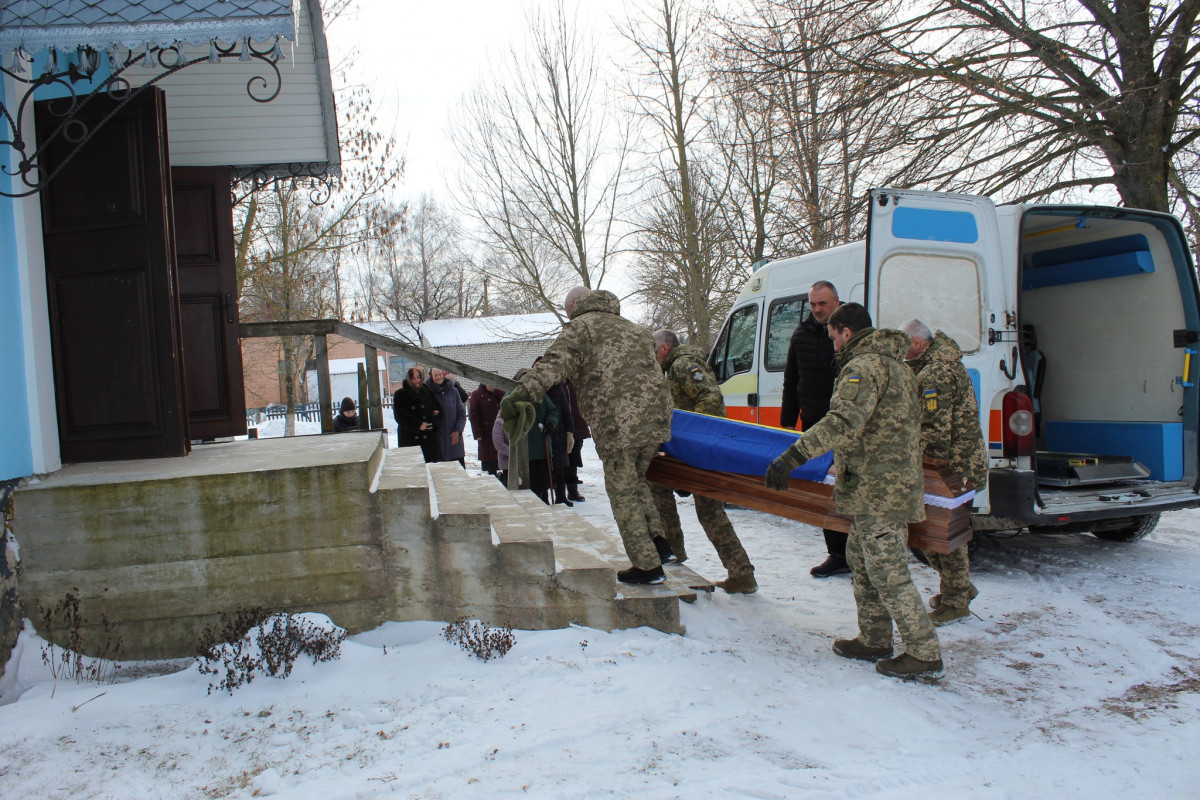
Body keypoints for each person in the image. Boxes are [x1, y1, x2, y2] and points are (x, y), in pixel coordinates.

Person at [765, 303, 942, 681]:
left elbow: (843, 421)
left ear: (846, 331)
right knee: (860, 559)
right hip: (880, 485)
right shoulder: (896, 365)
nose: (833, 345)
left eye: (833, 337)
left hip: (881, 490)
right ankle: (875, 639)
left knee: (887, 568)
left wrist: (793, 456)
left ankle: (924, 652)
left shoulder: (864, 367)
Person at [499, 287, 673, 585]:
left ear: (575, 305)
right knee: (636, 482)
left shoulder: (581, 328)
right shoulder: (638, 330)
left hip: (619, 424)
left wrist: (522, 393)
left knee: (622, 492)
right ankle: (658, 544)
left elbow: (553, 364)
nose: (568, 315)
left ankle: (647, 566)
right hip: (655, 420)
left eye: (567, 310)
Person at [650, 329, 757, 594]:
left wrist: (696, 442)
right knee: (660, 489)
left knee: (709, 511)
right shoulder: (675, 366)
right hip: (692, 451)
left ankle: (741, 574)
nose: (653, 357)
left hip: (701, 453)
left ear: (663, 348)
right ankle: (675, 553)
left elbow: (710, 398)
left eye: (654, 351)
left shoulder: (684, 364)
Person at [902, 319, 988, 625]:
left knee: (944, 535)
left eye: (904, 345)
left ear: (917, 343)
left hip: (951, 469)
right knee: (939, 534)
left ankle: (955, 599)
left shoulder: (935, 373)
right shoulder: (939, 363)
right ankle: (960, 588)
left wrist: (928, 474)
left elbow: (935, 430)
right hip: (960, 464)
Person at [780, 280, 848, 578]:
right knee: (824, 489)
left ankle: (860, 550)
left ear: (836, 301)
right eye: (814, 304)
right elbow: (791, 378)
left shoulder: (852, 330)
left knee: (851, 485)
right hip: (814, 425)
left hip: (848, 425)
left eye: (823, 303)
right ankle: (837, 553)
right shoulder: (801, 334)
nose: (818, 309)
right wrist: (787, 421)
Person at [393, 366, 441, 463]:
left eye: (418, 377)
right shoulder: (400, 394)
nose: (416, 380)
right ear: (409, 379)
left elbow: (439, 409)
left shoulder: (426, 391)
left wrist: (434, 422)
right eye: (413, 378)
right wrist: (418, 425)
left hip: (428, 438)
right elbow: (400, 415)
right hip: (410, 438)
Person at [428, 368, 466, 467]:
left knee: (458, 475)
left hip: (454, 440)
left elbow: (461, 414)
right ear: (431, 376)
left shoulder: (454, 392)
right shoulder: (427, 393)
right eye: (435, 375)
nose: (438, 377)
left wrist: (457, 431)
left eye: (440, 374)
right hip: (437, 441)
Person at [468, 383, 506, 476]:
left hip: (501, 430)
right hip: (486, 433)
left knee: (503, 457)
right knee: (490, 461)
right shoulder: (477, 394)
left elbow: (506, 400)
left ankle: (504, 478)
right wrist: (477, 433)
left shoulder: (499, 393)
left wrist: (495, 391)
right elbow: (473, 415)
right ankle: (492, 476)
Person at [563, 378, 589, 502]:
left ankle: (573, 490)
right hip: (561, 429)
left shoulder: (575, 383)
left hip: (577, 427)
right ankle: (560, 491)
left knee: (573, 460)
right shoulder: (557, 384)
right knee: (561, 462)